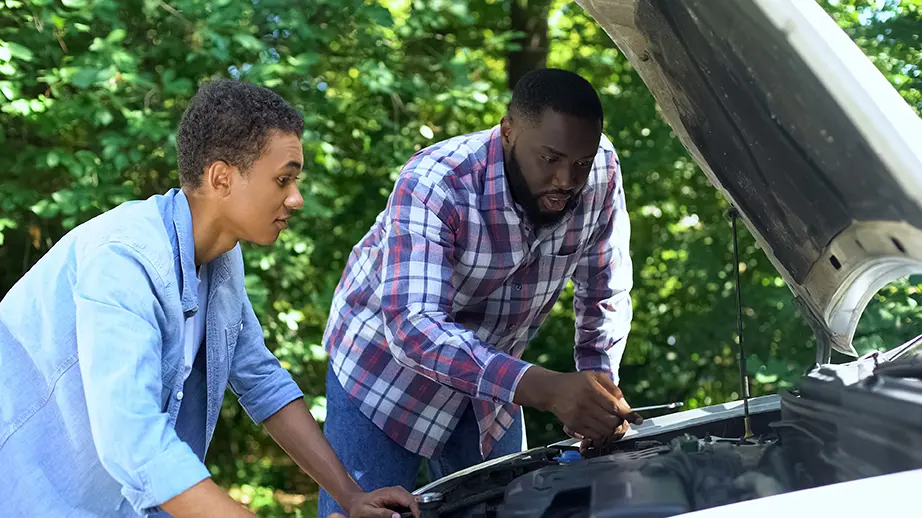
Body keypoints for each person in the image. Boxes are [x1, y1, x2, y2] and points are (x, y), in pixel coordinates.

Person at [0, 79, 417, 518]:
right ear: (222, 178)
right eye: (283, 180)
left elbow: (261, 379)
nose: (296, 199)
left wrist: (350, 496)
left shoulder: (221, 259)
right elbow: (135, 444)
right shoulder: (125, 259)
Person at [319, 68, 641, 516]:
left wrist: (598, 391)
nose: (567, 179)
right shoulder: (435, 181)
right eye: (549, 158)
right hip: (382, 377)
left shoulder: (601, 169)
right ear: (508, 131)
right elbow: (413, 327)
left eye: (579, 164)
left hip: (493, 393)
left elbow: (603, 289)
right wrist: (548, 389)